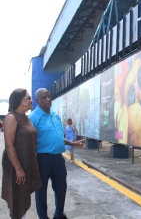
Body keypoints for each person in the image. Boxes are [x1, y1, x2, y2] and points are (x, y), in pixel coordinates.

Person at [29, 88, 85, 219]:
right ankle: (43, 217)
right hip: (42, 159)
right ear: (37, 101)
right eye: (44, 97)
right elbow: (29, 142)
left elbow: (58, 137)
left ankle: (59, 214)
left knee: (61, 188)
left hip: (58, 159)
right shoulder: (33, 118)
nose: (48, 99)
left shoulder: (55, 115)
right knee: (41, 191)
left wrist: (73, 144)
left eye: (49, 96)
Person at [1, 88, 42, 219]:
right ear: (19, 100)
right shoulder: (12, 117)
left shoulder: (26, 118)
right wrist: (18, 169)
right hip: (16, 164)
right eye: (28, 98)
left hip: (26, 162)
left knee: (22, 196)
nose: (31, 101)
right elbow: (9, 144)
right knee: (17, 198)